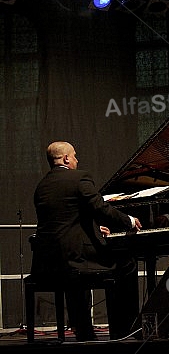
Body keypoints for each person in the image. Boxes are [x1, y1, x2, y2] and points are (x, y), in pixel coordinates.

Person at [32, 141, 143, 341]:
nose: (77, 159)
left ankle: (84, 330)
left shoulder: (42, 186)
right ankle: (124, 329)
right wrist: (129, 220)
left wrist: (92, 228)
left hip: (48, 259)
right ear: (66, 158)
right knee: (127, 262)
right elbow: (101, 208)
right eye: (74, 155)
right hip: (74, 255)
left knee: (75, 272)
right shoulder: (79, 178)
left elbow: (63, 221)